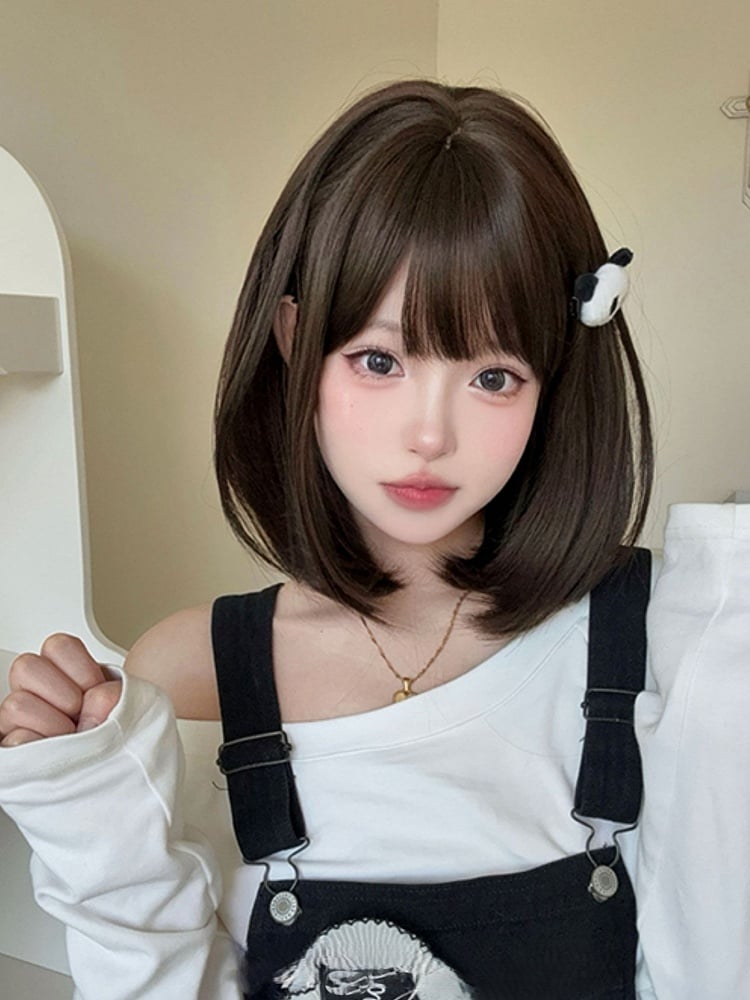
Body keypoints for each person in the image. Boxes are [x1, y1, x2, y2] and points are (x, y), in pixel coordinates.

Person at [0, 79, 748, 1000]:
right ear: (294, 341)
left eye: (494, 376)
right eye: (379, 360)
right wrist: (83, 803)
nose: (429, 434)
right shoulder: (195, 672)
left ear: (555, 375)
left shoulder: (653, 642)